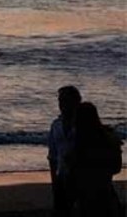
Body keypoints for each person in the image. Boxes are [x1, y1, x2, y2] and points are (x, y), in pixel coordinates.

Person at [72, 102, 123, 217]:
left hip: (87, 192)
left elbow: (74, 168)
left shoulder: (80, 141)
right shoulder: (109, 137)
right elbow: (116, 167)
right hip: (105, 190)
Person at [48, 85, 81, 217]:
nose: (62, 104)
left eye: (66, 101)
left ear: (76, 102)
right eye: (60, 101)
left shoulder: (83, 124)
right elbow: (52, 156)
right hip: (62, 175)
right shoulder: (56, 125)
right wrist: (54, 181)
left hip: (80, 176)